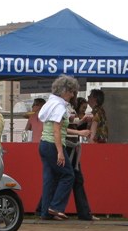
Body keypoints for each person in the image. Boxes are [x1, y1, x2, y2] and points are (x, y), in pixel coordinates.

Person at [37, 75, 90, 220]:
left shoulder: (51, 103)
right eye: (72, 91)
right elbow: (57, 131)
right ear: (65, 91)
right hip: (53, 145)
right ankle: (56, 207)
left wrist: (79, 123)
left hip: (44, 144)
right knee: (68, 175)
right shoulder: (60, 106)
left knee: (50, 177)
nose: (73, 95)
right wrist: (60, 152)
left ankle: (45, 212)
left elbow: (61, 126)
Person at [67, 95, 98, 221]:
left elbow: (69, 124)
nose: (84, 109)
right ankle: (48, 208)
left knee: (71, 179)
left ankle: (44, 207)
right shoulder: (64, 108)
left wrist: (83, 121)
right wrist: (80, 131)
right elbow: (62, 128)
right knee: (68, 179)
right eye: (83, 107)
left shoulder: (68, 110)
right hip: (69, 148)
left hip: (72, 148)